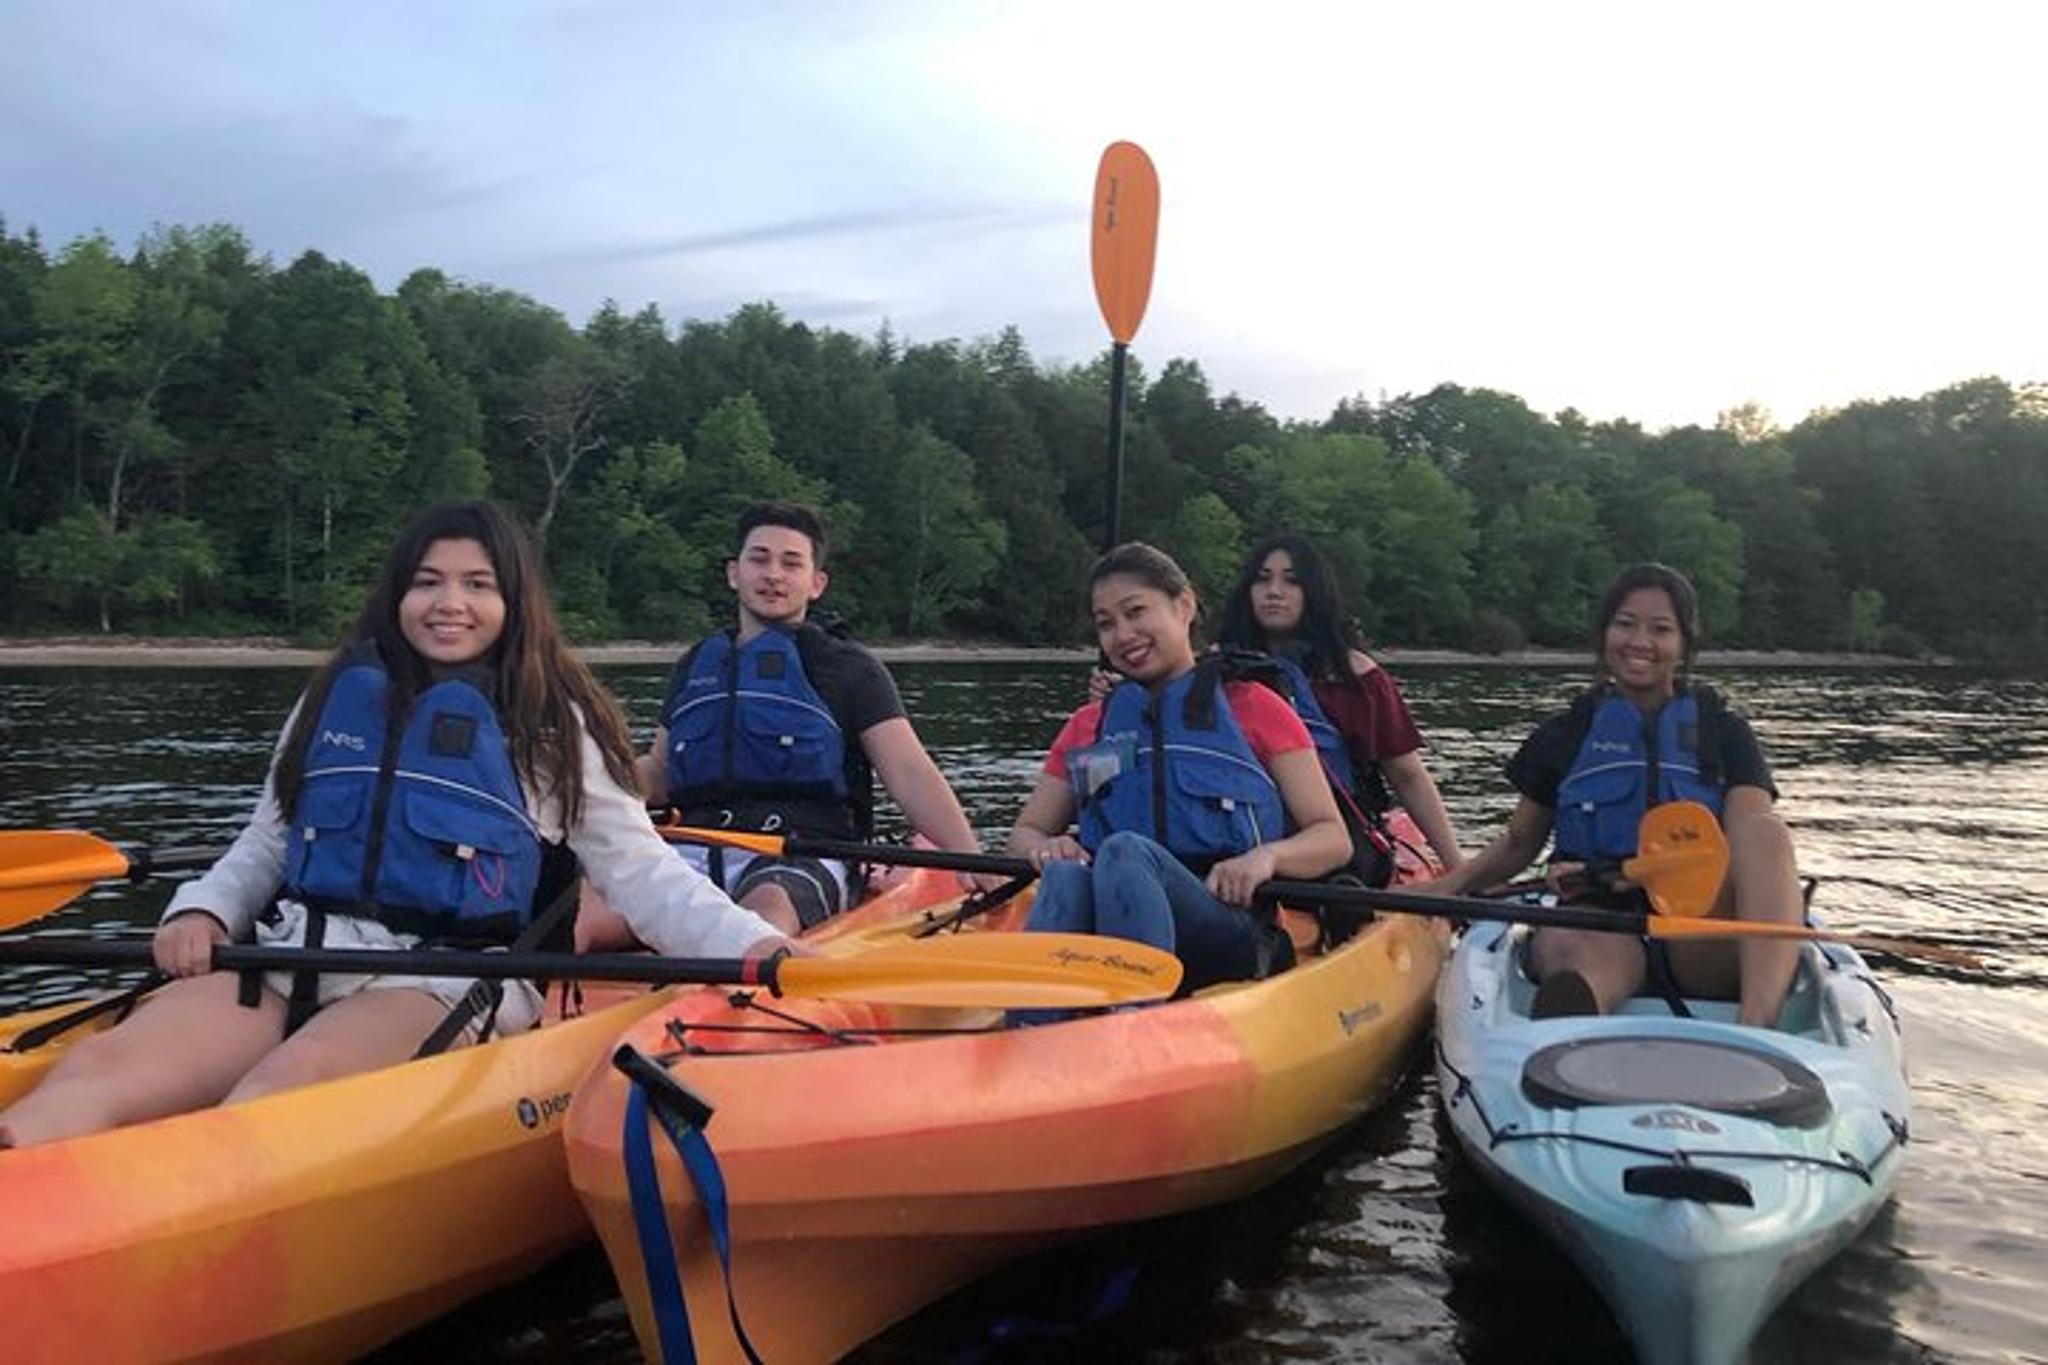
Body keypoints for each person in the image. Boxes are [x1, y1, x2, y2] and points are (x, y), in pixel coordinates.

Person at [0, 501, 787, 1149]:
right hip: (288, 950)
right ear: (397, 595)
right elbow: (268, 840)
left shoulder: (550, 718)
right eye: (428, 582)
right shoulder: (338, 693)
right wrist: (204, 907)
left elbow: (639, 872)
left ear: (514, 602)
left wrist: (757, 948)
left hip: (442, 974)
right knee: (98, 1071)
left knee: (274, 1101)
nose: (451, 602)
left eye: (478, 583)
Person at [1430, 563, 1803, 1026]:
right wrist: (1442, 889)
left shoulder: (1723, 732)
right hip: (1601, 921)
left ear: (1684, 643)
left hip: (1699, 934)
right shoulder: (1566, 733)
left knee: (1765, 833)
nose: (1640, 642)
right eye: (1625, 624)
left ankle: (1758, 1022)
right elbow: (1518, 845)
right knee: (1572, 949)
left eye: (1660, 629)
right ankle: (1578, 1013)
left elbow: (1748, 839)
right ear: (1604, 634)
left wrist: (1646, 872)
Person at [629, 501, 990, 937]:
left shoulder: (849, 669)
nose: (773, 575)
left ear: (816, 583)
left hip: (802, 853)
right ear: (733, 573)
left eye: (791, 563)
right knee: (590, 910)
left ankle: (730, 983)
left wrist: (971, 856)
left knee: (763, 911)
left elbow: (909, 773)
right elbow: (660, 774)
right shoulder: (696, 665)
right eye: (758, 559)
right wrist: (578, 781)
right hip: (694, 849)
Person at [1007, 543, 1353, 994]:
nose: (1123, 634)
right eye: (1106, 624)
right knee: (1069, 875)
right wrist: (1047, 847)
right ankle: (1032, 1025)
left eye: (1136, 612)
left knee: (1123, 851)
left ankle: (1131, 1015)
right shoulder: (1089, 726)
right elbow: (1025, 832)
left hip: (1225, 923)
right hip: (1109, 923)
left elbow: (1333, 838)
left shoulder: (1254, 708)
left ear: (1184, 605)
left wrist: (1266, 857)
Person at [1214, 533, 1465, 874]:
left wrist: (1458, 869)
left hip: (1335, 851)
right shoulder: (1213, 673)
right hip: (1233, 840)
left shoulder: (1355, 677)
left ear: (1314, 593)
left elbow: (1407, 776)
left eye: (1292, 581)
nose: (1273, 591)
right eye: (1262, 580)